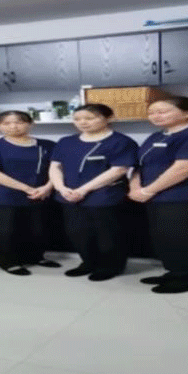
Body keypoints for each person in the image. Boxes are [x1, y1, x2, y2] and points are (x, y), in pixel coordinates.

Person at [130, 96, 188, 294]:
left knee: (186, 239)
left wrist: (148, 190)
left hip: (187, 196)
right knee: (166, 238)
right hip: (156, 196)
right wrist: (135, 187)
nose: (155, 116)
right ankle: (174, 272)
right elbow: (140, 165)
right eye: (151, 113)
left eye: (162, 111)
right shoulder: (157, 136)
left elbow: (183, 169)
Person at [48, 103, 138, 281]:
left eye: (89, 118)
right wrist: (61, 188)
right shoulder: (66, 142)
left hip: (104, 196)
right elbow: (55, 166)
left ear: (108, 118)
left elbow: (119, 170)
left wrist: (83, 189)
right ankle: (88, 262)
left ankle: (111, 266)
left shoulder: (121, 142)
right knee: (78, 233)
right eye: (77, 119)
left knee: (107, 234)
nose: (83, 122)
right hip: (69, 196)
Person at [0, 110, 59, 274]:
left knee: (37, 229)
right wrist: (26, 188)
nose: (13, 126)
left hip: (39, 194)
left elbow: (57, 168)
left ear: (31, 124)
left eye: (19, 122)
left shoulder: (48, 145)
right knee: (5, 231)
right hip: (2, 196)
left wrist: (48, 187)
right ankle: (8, 262)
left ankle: (35, 257)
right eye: (6, 123)